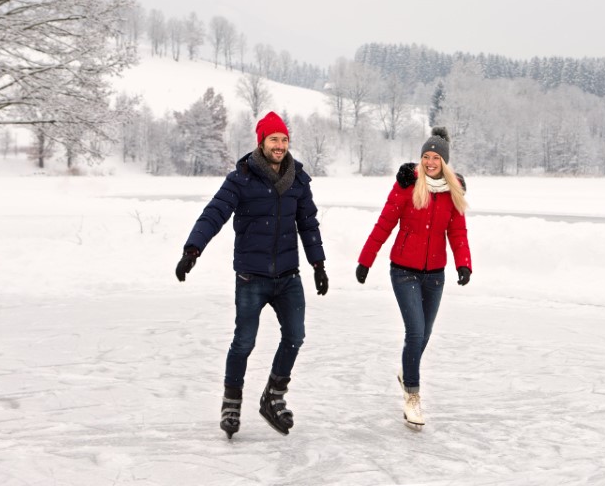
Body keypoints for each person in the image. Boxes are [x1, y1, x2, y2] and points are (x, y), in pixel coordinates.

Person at [174, 111, 329, 439]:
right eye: (274, 139)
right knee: (244, 341)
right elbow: (213, 213)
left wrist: (318, 264)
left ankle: (274, 396)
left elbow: (308, 224)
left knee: (296, 336)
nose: (280, 145)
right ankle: (231, 400)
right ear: (262, 142)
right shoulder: (241, 178)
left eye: (284, 139)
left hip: (288, 277)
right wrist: (193, 250)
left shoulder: (298, 180)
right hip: (251, 277)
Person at [355, 127, 472, 427]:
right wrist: (365, 260)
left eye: (436, 157)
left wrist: (464, 264)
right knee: (415, 332)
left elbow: (457, 232)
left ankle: (407, 371)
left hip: (435, 275)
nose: (430, 162)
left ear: (444, 162)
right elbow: (385, 224)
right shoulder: (407, 185)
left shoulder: (452, 191)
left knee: (426, 333)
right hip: (404, 271)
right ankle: (412, 397)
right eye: (425, 156)